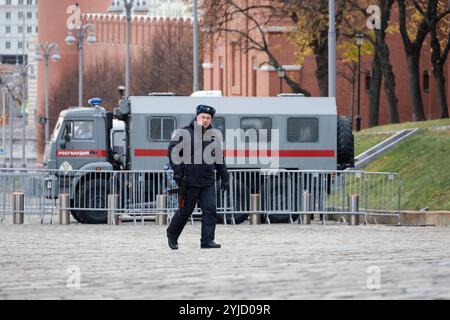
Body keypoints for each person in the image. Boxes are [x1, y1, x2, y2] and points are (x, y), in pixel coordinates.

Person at [166, 104, 229, 250]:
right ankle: (172, 235)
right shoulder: (184, 132)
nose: (205, 120)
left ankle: (207, 240)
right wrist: (178, 172)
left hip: (207, 181)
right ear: (197, 117)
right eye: (203, 117)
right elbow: (173, 153)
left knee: (210, 211)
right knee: (185, 212)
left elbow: (219, 158)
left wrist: (225, 177)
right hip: (189, 181)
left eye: (208, 118)